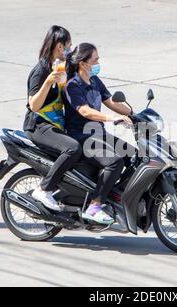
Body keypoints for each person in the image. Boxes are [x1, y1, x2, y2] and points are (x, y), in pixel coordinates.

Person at [64, 43, 134, 225]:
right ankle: (95, 206)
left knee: (134, 154)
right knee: (114, 162)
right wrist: (111, 118)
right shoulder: (73, 86)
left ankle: (115, 195)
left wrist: (134, 114)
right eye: (94, 60)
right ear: (82, 63)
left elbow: (111, 102)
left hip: (98, 134)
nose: (97, 63)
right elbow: (85, 111)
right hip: (82, 136)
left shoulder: (95, 81)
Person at [23, 25, 82, 212]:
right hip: (38, 125)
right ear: (58, 46)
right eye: (68, 46)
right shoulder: (40, 71)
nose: (69, 50)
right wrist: (48, 82)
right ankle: (43, 189)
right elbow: (33, 104)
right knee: (73, 148)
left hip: (55, 124)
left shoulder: (60, 67)